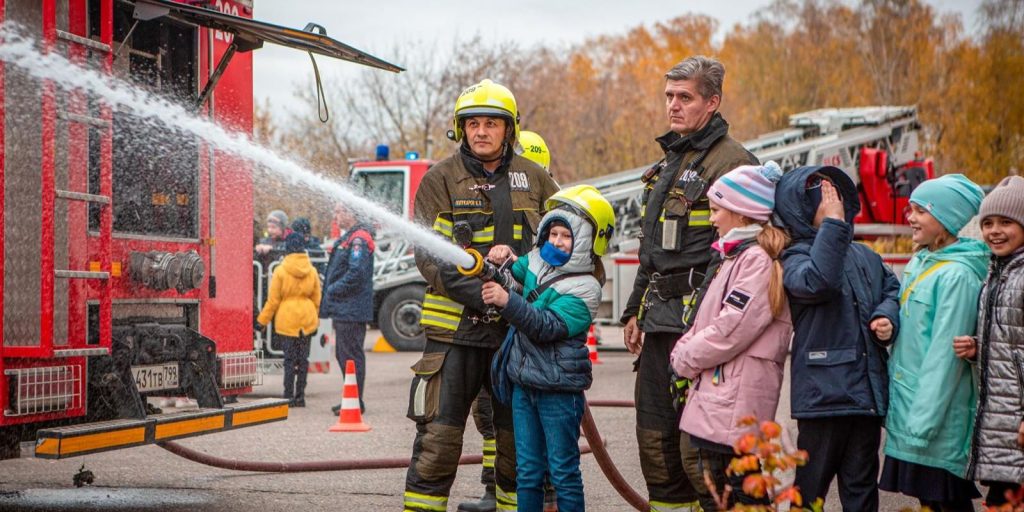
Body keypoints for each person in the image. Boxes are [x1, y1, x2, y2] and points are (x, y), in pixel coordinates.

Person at [402, 78, 559, 512]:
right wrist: (484, 294)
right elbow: (430, 258)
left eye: (492, 123)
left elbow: (563, 247)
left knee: (516, 443)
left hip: (517, 333)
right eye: (473, 123)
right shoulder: (441, 180)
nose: (482, 131)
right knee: (438, 438)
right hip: (454, 333)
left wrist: (519, 292)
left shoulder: (537, 180)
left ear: (510, 129)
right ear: (460, 128)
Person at [620, 55, 758, 511]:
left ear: (712, 102)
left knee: (701, 452)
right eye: (669, 97)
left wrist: (716, 324)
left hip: (702, 326)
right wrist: (634, 309)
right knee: (655, 446)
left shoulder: (734, 163)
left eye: (685, 97)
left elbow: (747, 254)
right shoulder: (670, 162)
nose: (673, 106)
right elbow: (653, 248)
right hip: (659, 322)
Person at [774, 166, 901, 511]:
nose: (835, 205)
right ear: (799, 209)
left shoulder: (864, 255)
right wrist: (833, 225)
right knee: (810, 489)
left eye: (838, 199)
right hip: (823, 400)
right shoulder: (795, 257)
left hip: (864, 399)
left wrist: (886, 315)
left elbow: (891, 289)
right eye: (824, 201)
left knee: (861, 490)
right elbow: (819, 281)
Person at [668, 161, 791, 508]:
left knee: (737, 492)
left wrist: (683, 358)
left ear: (740, 214)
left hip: (734, 400)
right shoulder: (735, 258)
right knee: (721, 489)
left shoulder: (755, 261)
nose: (711, 218)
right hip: (725, 398)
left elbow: (730, 329)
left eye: (716, 209)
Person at [485, 185, 614, 512]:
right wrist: (498, 261)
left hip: (558, 390)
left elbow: (545, 326)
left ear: (585, 241)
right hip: (524, 385)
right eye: (552, 233)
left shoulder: (586, 289)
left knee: (563, 472)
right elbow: (513, 278)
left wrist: (506, 301)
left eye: (566, 236)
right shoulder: (534, 260)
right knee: (527, 472)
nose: (556, 242)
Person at [879, 174, 989, 512]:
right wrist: (891, 327)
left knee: (946, 502)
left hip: (934, 420)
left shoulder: (957, 275)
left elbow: (945, 356)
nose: (909, 218)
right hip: (914, 410)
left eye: (919, 211)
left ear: (946, 218)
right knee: (931, 503)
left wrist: (921, 424)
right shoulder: (922, 261)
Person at [463, 129, 557, 512]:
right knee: (490, 413)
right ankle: (493, 488)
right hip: (499, 328)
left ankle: (545, 493)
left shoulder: (551, 211)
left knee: (535, 416)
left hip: (533, 330)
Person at [954, 176, 1024, 507]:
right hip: (1001, 428)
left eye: (1006, 222)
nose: (994, 231)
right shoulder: (997, 274)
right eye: (988, 223)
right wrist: (978, 349)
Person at [321, 203, 375, 416]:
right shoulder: (350, 237)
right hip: (345, 308)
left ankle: (355, 400)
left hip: (351, 309)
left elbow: (356, 273)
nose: (336, 216)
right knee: (344, 355)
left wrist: (333, 289)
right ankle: (350, 397)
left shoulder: (358, 239)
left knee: (350, 355)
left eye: (339, 211)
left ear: (351, 213)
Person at [256, 232, 322, 407]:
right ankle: (300, 396)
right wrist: (315, 320)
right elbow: (316, 299)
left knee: (289, 361)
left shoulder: (281, 270)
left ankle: (288, 396)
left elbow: (273, 301)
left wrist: (262, 322)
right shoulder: (312, 270)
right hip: (307, 320)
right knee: (303, 360)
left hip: (287, 320)